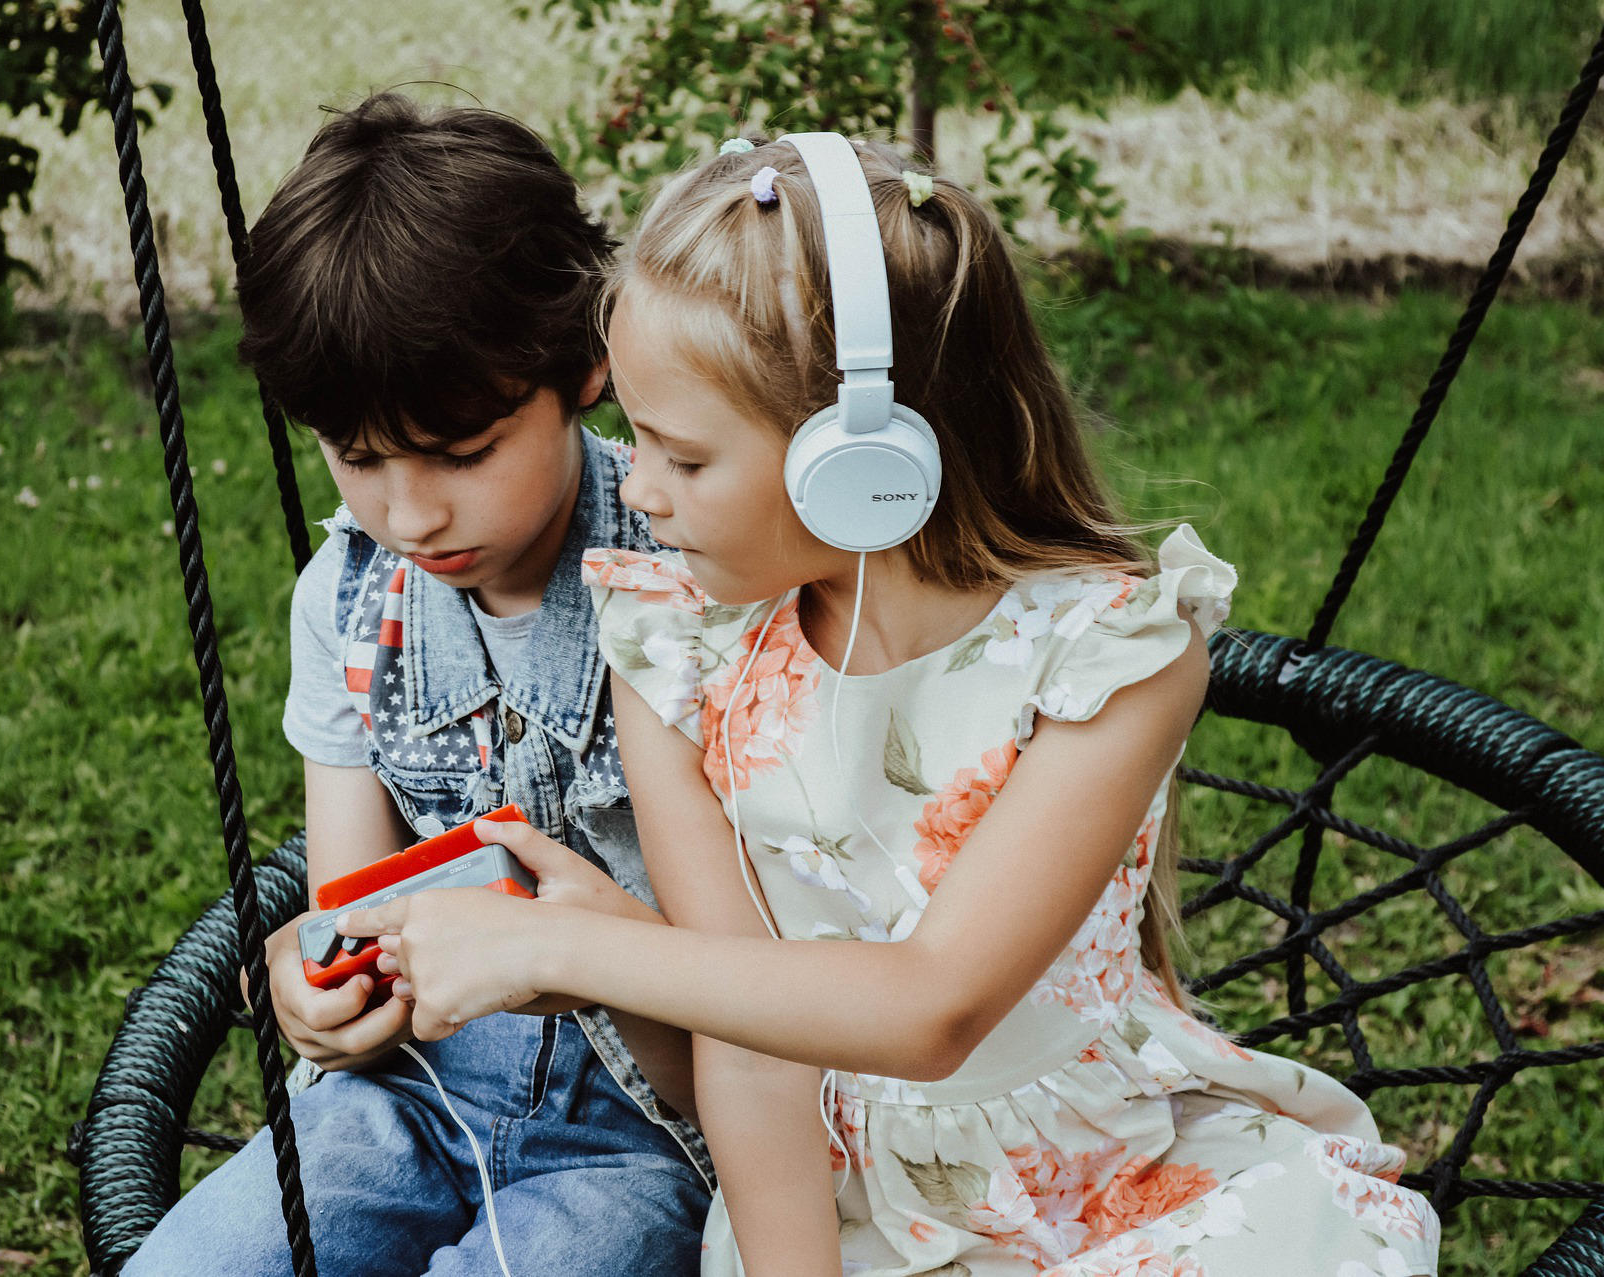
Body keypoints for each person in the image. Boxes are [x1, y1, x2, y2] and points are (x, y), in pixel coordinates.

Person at [338, 134, 1442, 1276]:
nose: (642, 492)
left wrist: (566, 944)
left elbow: (934, 1006)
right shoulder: (677, 652)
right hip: (832, 1202)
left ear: (863, 464)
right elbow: (749, 1046)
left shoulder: (1110, 656)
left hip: (1114, 1171)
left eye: (682, 456)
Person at [123, 92, 711, 1277]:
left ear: (585, 364)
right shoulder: (345, 600)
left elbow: (755, 988)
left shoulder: (692, 574)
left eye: (461, 453)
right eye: (358, 456)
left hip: (645, 1132)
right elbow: (353, 903)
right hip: (408, 1097)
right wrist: (311, 986)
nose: (408, 511)